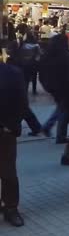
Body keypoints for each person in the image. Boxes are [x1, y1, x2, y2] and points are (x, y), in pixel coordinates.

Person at [0, 61, 26, 227]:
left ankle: (10, 208)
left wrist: (11, 126)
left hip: (4, 131)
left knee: (8, 172)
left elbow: (22, 103)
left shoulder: (12, 73)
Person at [39, 34, 69, 143]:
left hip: (52, 86)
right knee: (63, 110)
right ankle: (59, 134)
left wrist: (46, 85)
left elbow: (41, 72)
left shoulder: (47, 55)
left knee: (61, 108)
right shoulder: (65, 56)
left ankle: (48, 127)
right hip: (64, 87)